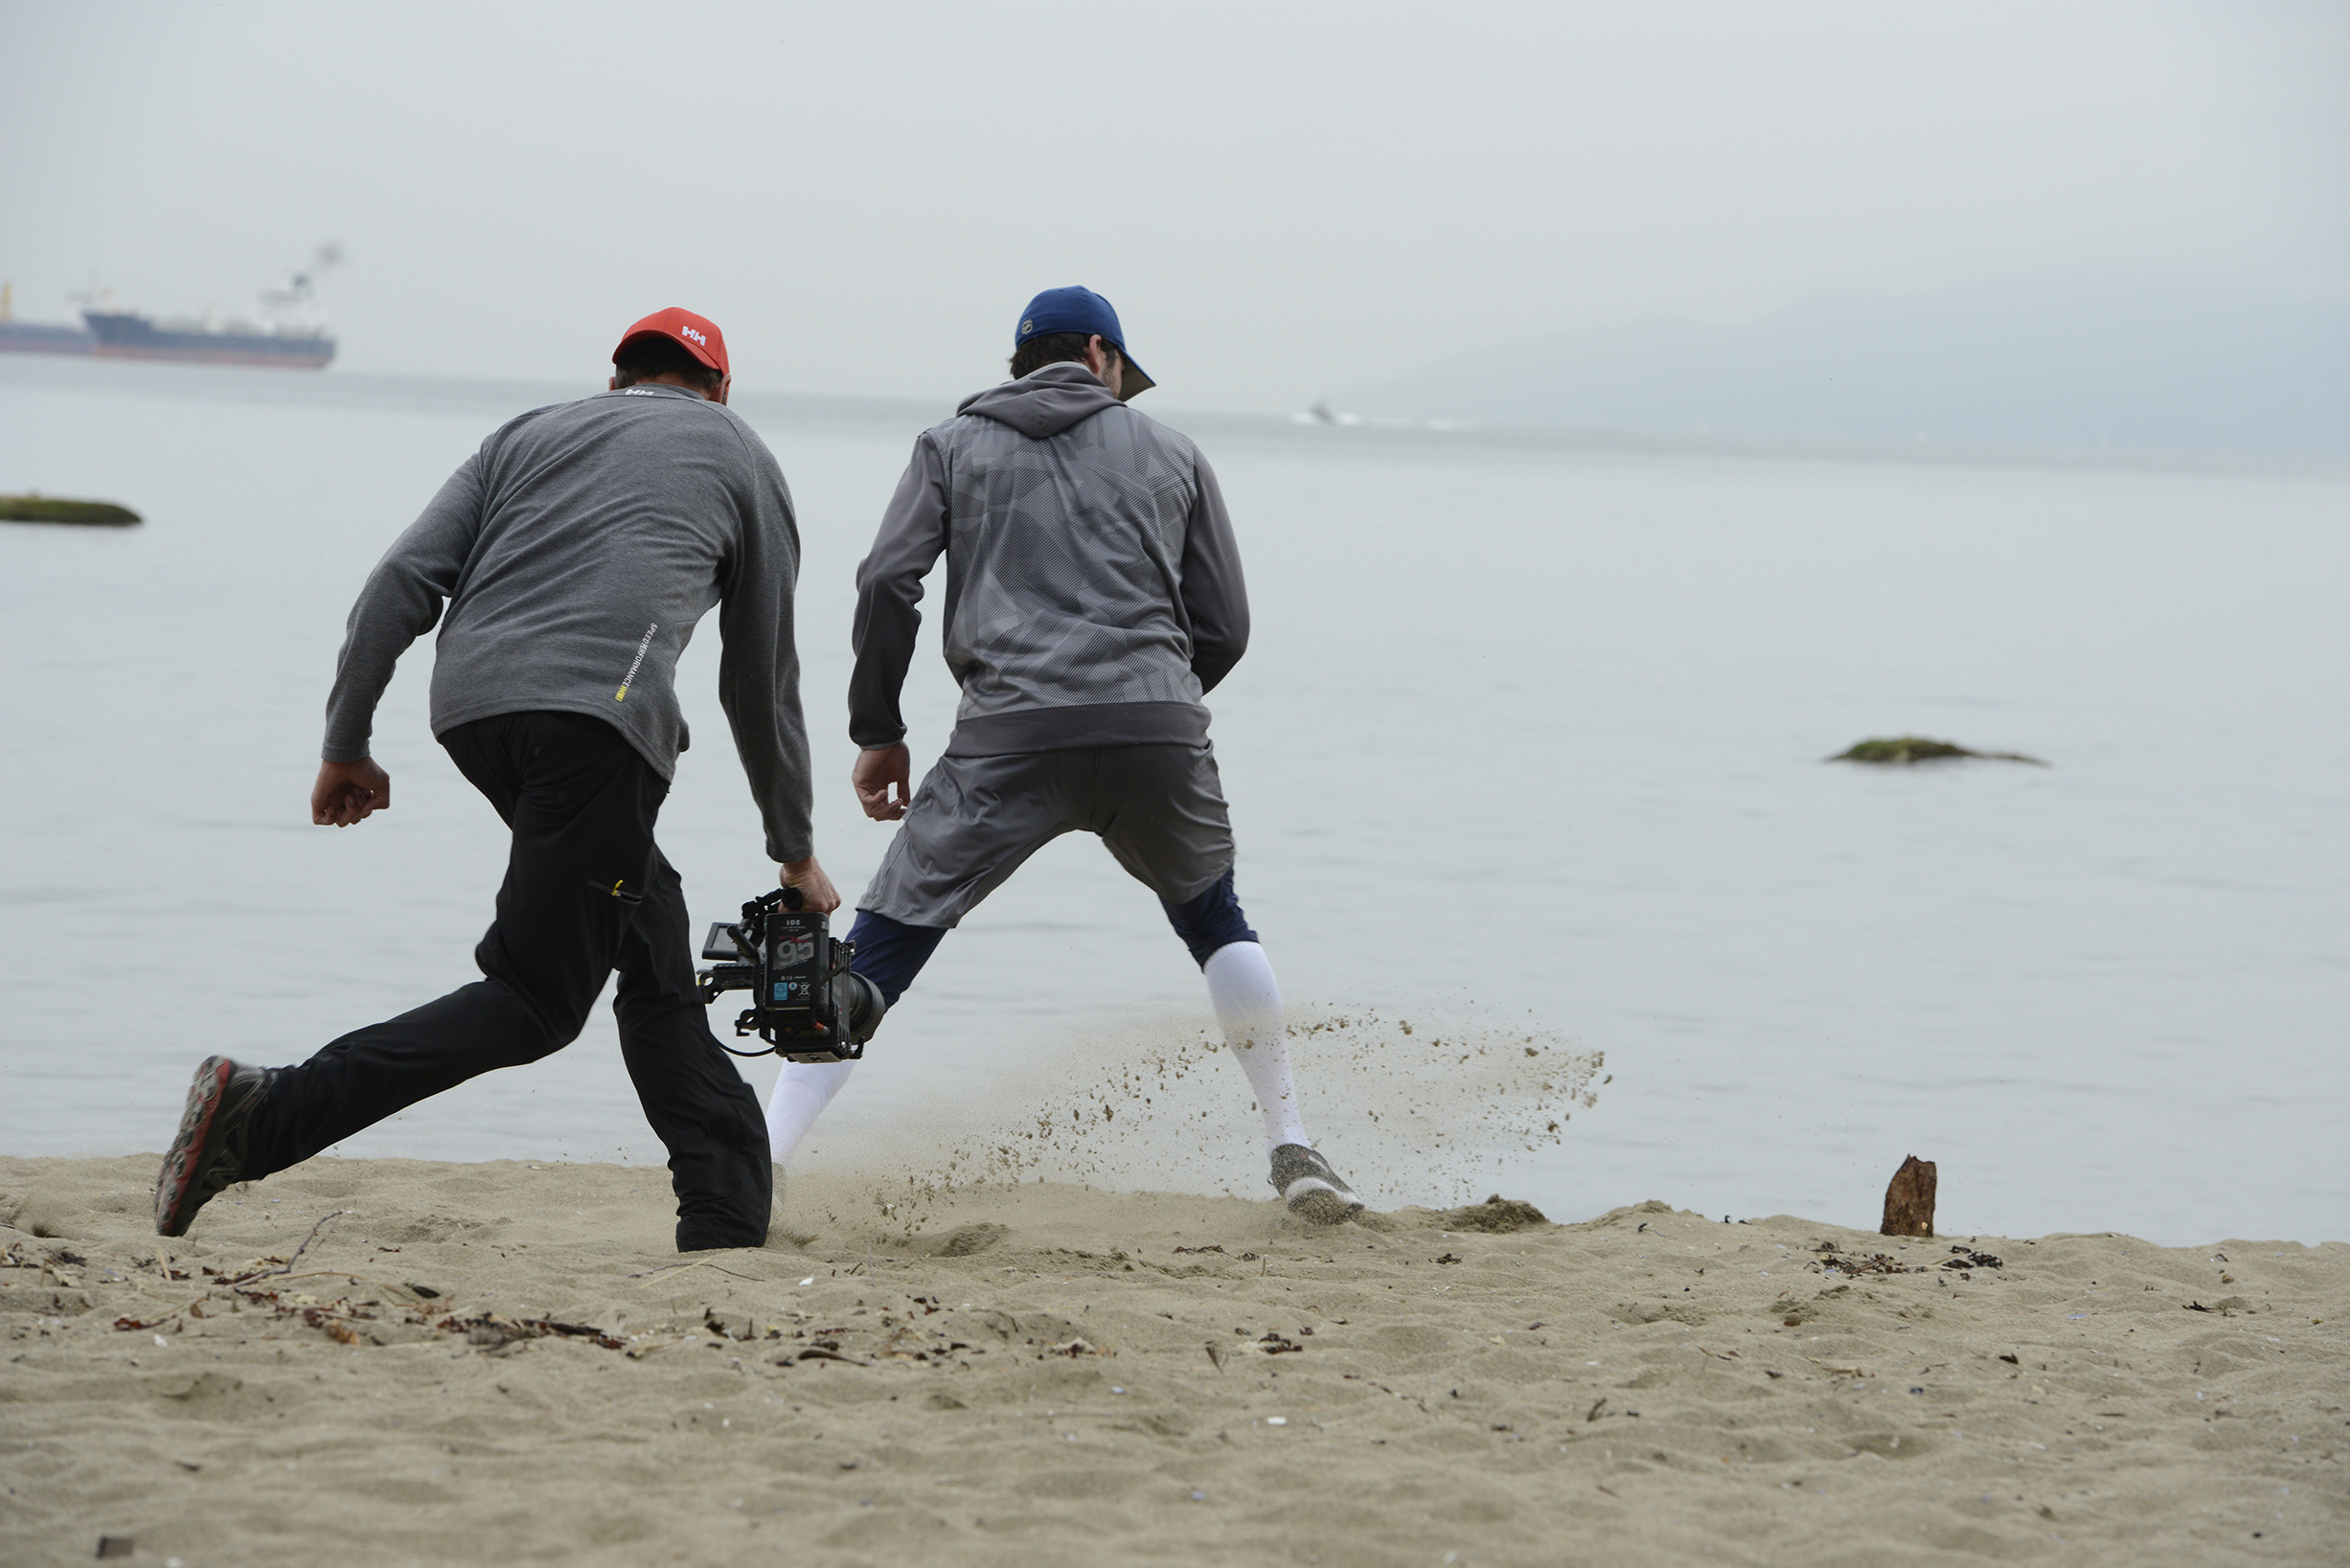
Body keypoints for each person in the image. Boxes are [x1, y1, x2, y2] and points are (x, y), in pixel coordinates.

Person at [154, 307, 836, 1251]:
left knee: (648, 928)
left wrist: (345, 742)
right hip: (597, 722)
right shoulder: (739, 450)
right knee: (535, 998)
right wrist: (793, 847)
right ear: (719, 388)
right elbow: (760, 680)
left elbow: (400, 579)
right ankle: (258, 1115)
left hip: (472, 712)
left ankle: (725, 1214)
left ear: (615, 382)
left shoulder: (526, 433)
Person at [764, 285, 1364, 1222]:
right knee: (1214, 918)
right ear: (1100, 353)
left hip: (1006, 733)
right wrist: (1151, 694)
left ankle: (758, 1162)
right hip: (1156, 726)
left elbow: (887, 578)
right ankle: (1291, 1143)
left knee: (886, 936)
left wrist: (877, 728)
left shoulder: (949, 446)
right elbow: (1227, 625)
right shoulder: (1172, 450)